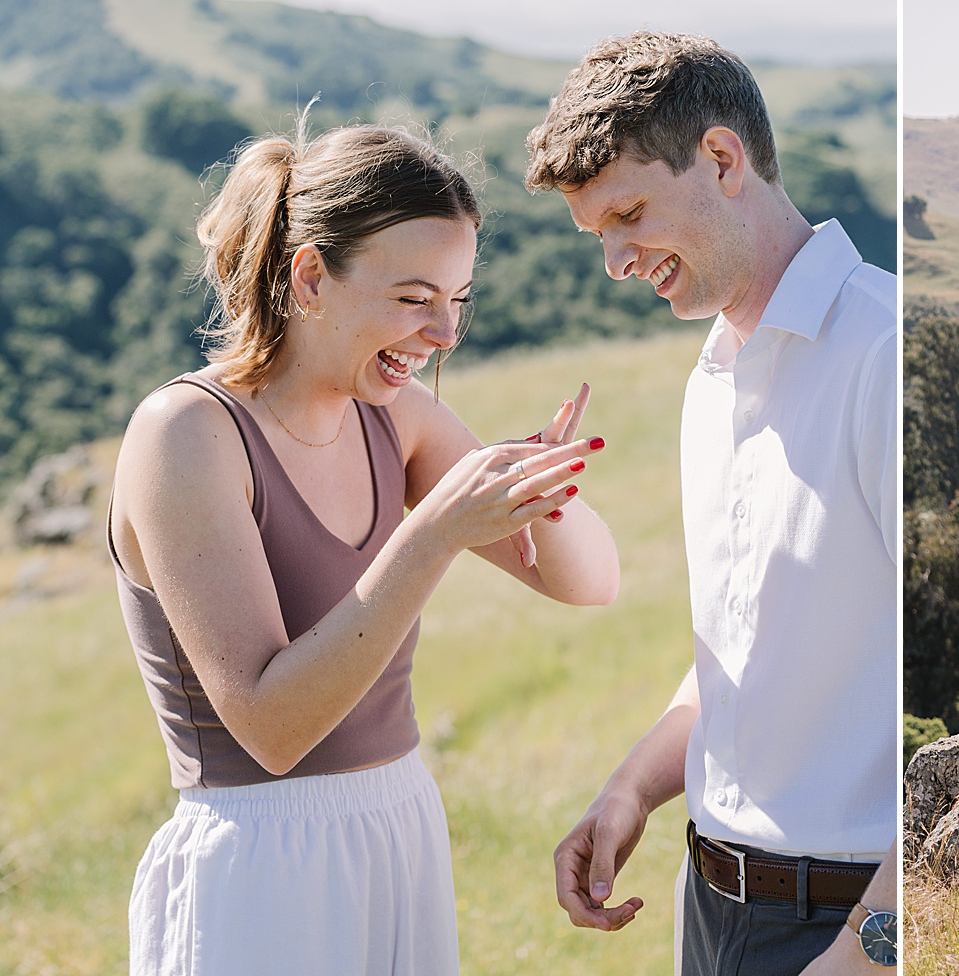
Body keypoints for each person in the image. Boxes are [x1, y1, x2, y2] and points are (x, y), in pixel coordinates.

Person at [110, 121, 623, 975]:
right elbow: (273, 729)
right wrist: (431, 535)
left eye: (459, 301)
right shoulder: (187, 434)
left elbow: (591, 584)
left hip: (397, 830)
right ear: (311, 275)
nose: (444, 335)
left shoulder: (395, 417)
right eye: (415, 298)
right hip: (259, 866)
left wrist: (544, 492)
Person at [536, 33, 898, 974]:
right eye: (598, 236)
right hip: (710, 915)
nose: (616, 260)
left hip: (848, 929)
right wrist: (631, 791)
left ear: (724, 160)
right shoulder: (712, 379)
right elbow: (740, 651)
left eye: (628, 214)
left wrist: (870, 952)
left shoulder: (889, 356)